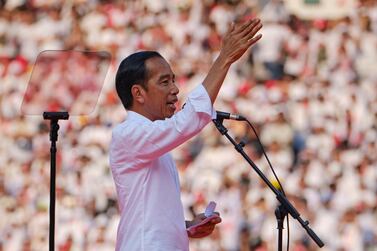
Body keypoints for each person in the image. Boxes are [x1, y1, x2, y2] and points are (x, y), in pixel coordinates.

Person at [109, 18, 263, 251]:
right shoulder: (128, 133)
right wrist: (224, 59)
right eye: (164, 82)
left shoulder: (153, 142)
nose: (175, 89)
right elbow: (188, 120)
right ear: (138, 94)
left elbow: (149, 218)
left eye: (173, 80)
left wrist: (187, 226)